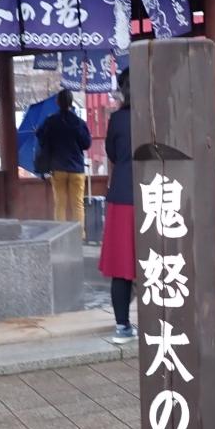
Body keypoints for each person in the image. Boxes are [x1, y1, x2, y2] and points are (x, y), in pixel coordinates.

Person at [98, 70, 137, 343]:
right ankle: (163, 323)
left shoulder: (118, 119)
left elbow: (112, 154)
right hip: (160, 192)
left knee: (122, 267)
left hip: (123, 195)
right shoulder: (162, 113)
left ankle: (122, 326)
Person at [36, 89, 92, 236]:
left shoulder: (51, 121)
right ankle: (78, 235)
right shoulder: (79, 122)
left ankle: (59, 235)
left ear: (57, 102)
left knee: (60, 204)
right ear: (71, 102)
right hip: (77, 169)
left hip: (58, 168)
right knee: (77, 204)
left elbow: (41, 137)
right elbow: (86, 144)